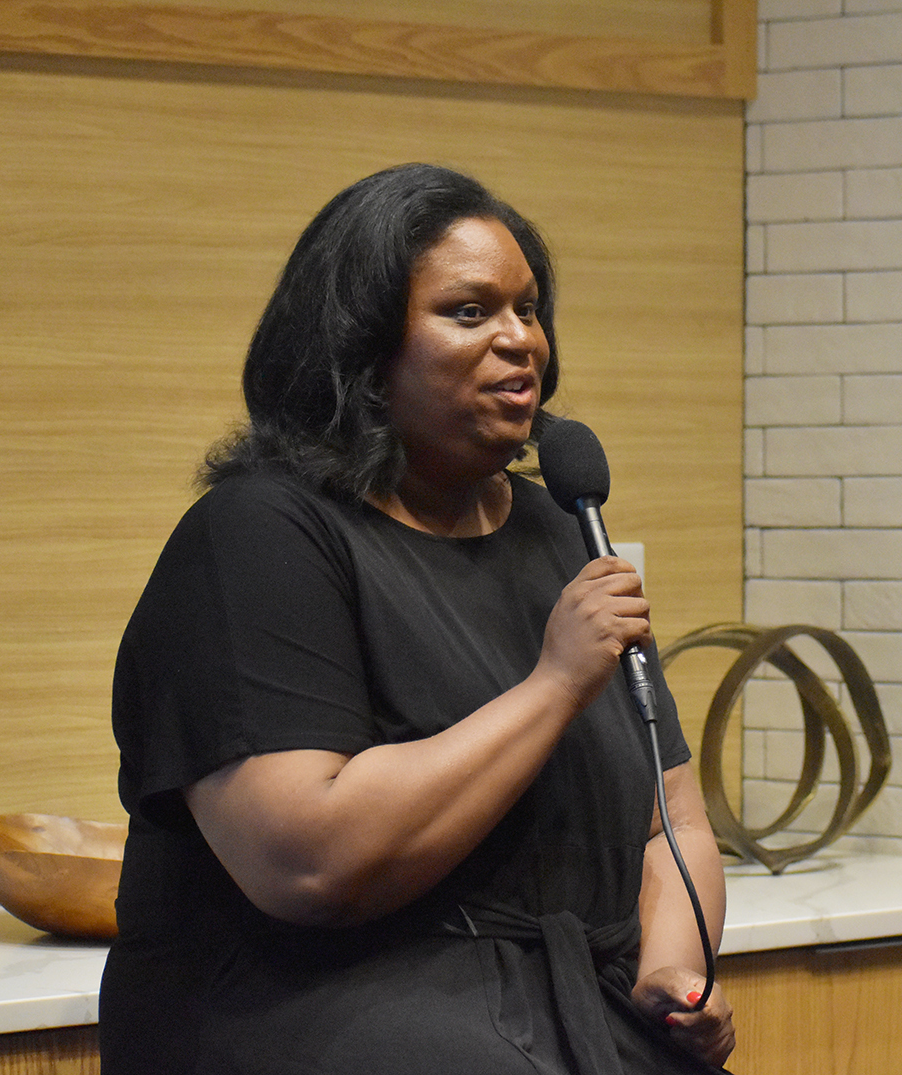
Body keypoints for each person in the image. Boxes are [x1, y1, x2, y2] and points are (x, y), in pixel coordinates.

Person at [99, 162, 735, 1074]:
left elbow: (670, 818)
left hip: (574, 1012)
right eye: (470, 312)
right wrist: (555, 684)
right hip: (322, 1014)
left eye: (529, 308)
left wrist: (675, 970)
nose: (521, 339)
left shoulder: (564, 532)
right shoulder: (260, 536)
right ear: (360, 347)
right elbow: (308, 862)